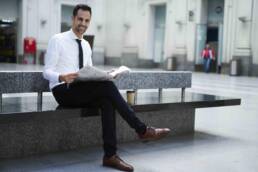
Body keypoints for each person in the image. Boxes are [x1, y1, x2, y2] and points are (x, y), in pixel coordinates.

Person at [43, 4, 170, 172]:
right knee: (108, 88)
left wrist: (106, 74)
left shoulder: (86, 45)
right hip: (62, 90)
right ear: (73, 19)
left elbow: (88, 72)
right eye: (80, 19)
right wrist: (61, 76)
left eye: (87, 20)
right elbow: (46, 71)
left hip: (80, 89)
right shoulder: (57, 39)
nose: (83, 23)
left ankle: (110, 156)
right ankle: (142, 129)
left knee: (106, 100)